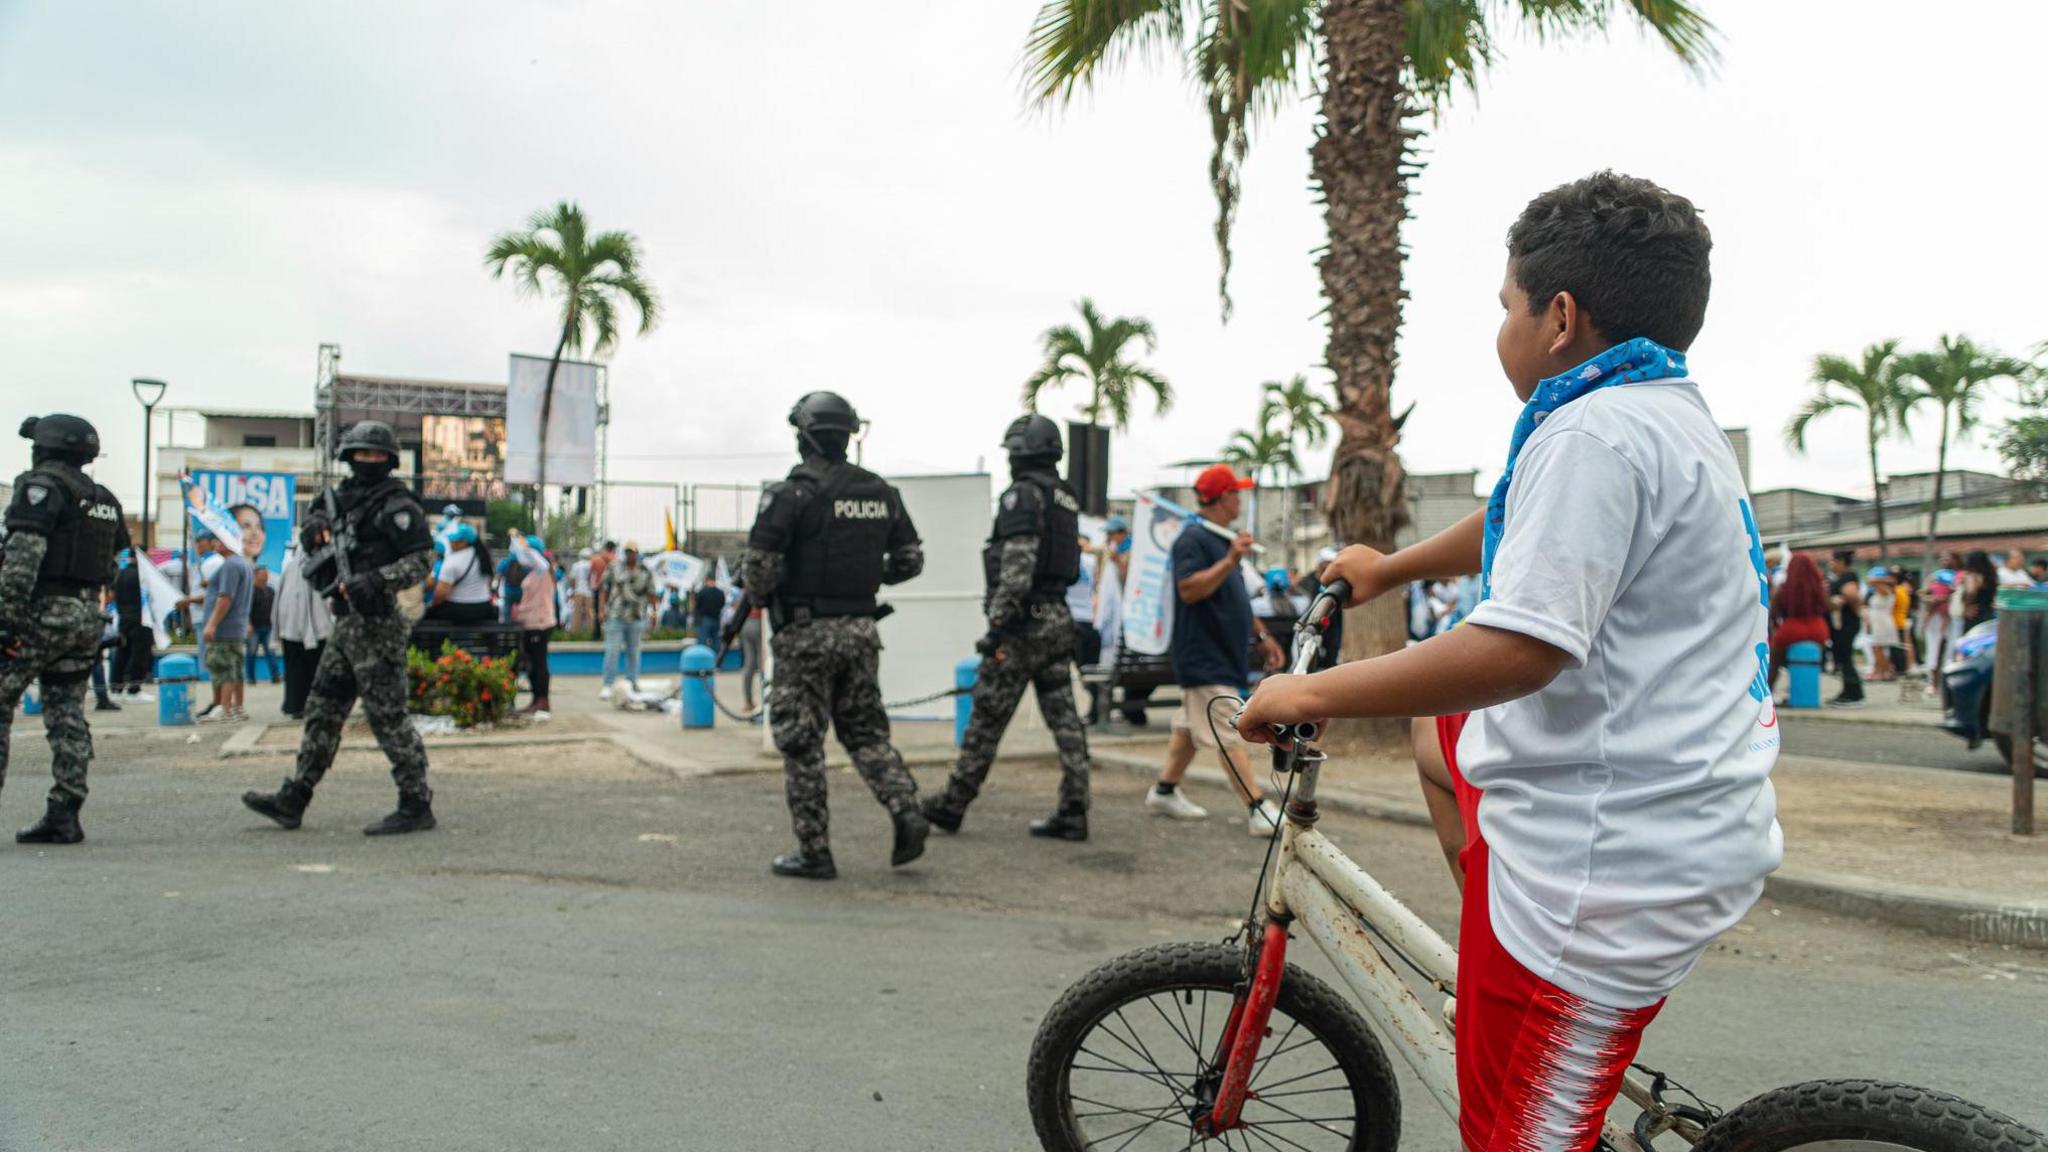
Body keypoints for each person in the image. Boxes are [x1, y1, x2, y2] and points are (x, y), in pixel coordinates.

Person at [1238, 172, 1781, 1152]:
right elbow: (1511, 520)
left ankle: (1527, 994)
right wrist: (1386, 567)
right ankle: (1490, 961)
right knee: (1435, 735)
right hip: (1677, 806)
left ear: (1559, 316)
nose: (1501, 328)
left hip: (1605, 873)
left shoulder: (1593, 435)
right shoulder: (1652, 407)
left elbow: (1516, 650)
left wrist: (1307, 689)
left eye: (1506, 308)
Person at [742, 391, 927, 879]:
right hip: (863, 631)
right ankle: (907, 807)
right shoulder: (880, 491)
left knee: (802, 744)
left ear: (804, 435)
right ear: (848, 434)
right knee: (865, 732)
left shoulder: (791, 493)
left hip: (805, 635)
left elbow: (758, 572)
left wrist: (776, 594)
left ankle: (815, 852)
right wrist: (866, 579)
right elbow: (911, 561)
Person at [240, 420, 437, 836]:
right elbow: (315, 540)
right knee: (322, 710)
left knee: (387, 717)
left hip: (379, 623)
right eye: (361, 454)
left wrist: (376, 579)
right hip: (345, 623)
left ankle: (416, 802)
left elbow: (421, 560)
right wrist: (313, 533)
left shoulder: (398, 505)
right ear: (348, 457)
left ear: (389, 460)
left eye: (376, 454)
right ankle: (295, 797)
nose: (367, 461)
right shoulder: (336, 499)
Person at [925, 415, 1093, 840]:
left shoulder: (1024, 495)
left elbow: (1017, 568)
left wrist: (997, 627)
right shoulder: (1065, 497)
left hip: (1024, 624)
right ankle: (1075, 808)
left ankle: (952, 804)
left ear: (1021, 451)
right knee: (1066, 720)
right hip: (1057, 617)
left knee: (986, 719)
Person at [0, 414, 127, 843]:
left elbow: (21, 563)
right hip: (86, 617)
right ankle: (65, 812)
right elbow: (111, 563)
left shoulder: (40, 488)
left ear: (44, 448)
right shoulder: (104, 499)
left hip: (41, 612)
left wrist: (7, 624)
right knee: (66, 710)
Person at [1146, 463, 1285, 836]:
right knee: (1226, 725)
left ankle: (1164, 790)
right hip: (1202, 653)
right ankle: (1257, 807)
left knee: (1190, 726)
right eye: (1236, 493)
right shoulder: (1193, 539)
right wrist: (1230, 560)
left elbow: (1234, 596)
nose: (1241, 499)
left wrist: (1261, 637)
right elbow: (1189, 589)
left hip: (1222, 653)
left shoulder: (1221, 539)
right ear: (1223, 497)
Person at [180, 529, 253, 723]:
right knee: (236, 669)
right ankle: (238, 707)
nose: (214, 544)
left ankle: (224, 708)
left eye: (218, 540)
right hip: (236, 625)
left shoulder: (229, 566)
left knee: (223, 667)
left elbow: (225, 598)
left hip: (225, 627)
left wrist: (211, 624)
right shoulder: (242, 564)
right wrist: (193, 600)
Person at [274, 538, 332, 719]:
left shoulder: (291, 567)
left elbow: (278, 600)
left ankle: (296, 706)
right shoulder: (315, 565)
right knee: (313, 670)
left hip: (292, 629)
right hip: (313, 629)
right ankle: (307, 705)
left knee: (296, 670)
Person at [598, 541, 659, 700]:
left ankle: (631, 682)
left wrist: (654, 611)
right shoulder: (614, 567)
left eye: (632, 552)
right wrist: (602, 609)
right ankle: (608, 684)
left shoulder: (645, 570)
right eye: (627, 552)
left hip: (637, 615)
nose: (629, 555)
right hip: (616, 615)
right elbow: (604, 588)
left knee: (634, 652)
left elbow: (651, 592)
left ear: (637, 553)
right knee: (612, 651)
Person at [1767, 553, 1831, 699]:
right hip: (1818, 629)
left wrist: (1778, 627)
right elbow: (1827, 607)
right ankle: (1803, 693)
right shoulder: (1819, 589)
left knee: (1774, 663)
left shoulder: (1784, 589)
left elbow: (1773, 614)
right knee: (1807, 663)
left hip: (1791, 629)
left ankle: (1767, 693)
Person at [511, 532, 557, 716]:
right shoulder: (534, 572)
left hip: (540, 623)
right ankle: (536, 698)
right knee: (532, 663)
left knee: (539, 663)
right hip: (530, 623)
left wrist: (522, 543)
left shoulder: (543, 570)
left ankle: (542, 700)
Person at [423, 522, 495, 624]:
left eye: (454, 540)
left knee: (428, 617)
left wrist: (430, 605)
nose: (451, 542)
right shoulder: (483, 558)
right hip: (484, 607)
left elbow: (441, 594)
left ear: (464, 542)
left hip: (458, 608)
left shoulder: (453, 560)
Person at [1826, 549, 1866, 707]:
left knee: (1846, 657)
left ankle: (1854, 694)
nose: (1831, 564)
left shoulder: (1848, 576)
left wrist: (1840, 600)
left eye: (1833, 561)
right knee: (1842, 657)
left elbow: (1852, 595)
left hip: (1846, 624)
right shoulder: (1842, 577)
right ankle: (1847, 690)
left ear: (1841, 562)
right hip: (1842, 625)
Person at [111, 549, 152, 694]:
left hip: (123, 617)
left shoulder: (121, 574)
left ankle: (116, 686)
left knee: (122, 652)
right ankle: (134, 688)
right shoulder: (143, 575)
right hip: (141, 618)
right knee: (139, 654)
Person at [244, 565, 280, 685]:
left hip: (268, 626)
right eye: (263, 574)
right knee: (251, 653)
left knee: (271, 653)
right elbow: (246, 609)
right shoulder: (250, 591)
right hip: (254, 627)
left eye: (266, 574)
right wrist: (248, 624)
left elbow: (275, 608)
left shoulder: (270, 590)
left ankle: (275, 676)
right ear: (256, 575)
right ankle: (251, 678)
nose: (265, 577)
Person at [735, 576, 764, 711]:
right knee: (763, 664)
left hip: (745, 625)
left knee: (749, 664)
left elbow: (737, 610)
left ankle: (748, 701)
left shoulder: (743, 593)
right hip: (759, 623)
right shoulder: (763, 588)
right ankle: (765, 701)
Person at [1864, 567, 1898, 682]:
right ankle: (1882, 670)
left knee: (1879, 648)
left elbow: (1871, 581)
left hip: (1882, 621)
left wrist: (1881, 580)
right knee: (1876, 648)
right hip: (1877, 621)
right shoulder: (1878, 590)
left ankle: (1883, 672)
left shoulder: (1886, 590)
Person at [1960, 550, 1999, 630]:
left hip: (1975, 612)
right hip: (1988, 611)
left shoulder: (1973, 576)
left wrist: (1965, 607)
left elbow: (1971, 592)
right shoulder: (1990, 576)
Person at [587, 540, 616, 640]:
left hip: (598, 588)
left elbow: (590, 574)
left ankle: (597, 635)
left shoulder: (596, 559)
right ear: (613, 548)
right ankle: (611, 634)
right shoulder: (614, 559)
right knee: (611, 611)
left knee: (597, 611)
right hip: (610, 589)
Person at [568, 547, 595, 635]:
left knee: (577, 612)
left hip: (578, 590)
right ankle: (591, 632)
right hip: (589, 592)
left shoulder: (576, 565)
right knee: (590, 612)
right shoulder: (592, 565)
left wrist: (573, 589)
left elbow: (573, 579)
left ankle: (575, 633)